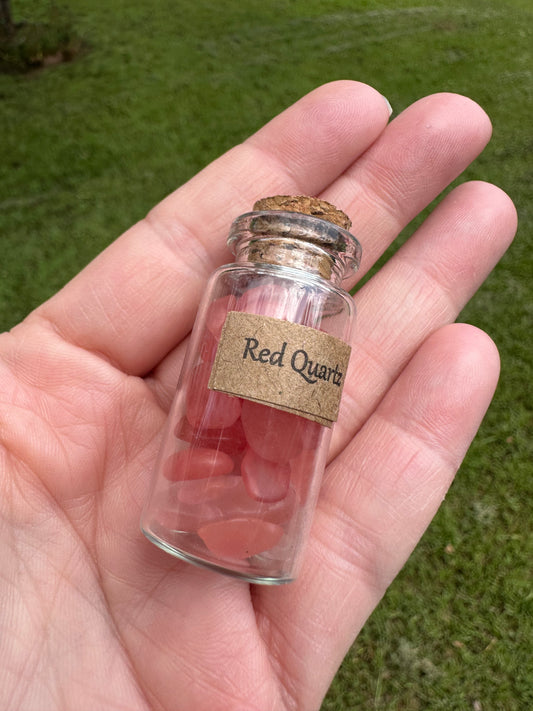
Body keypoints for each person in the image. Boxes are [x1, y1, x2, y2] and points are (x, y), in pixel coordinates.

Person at [0, 81, 517, 710]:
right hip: (177, 514)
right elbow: (211, 414)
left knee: (275, 462)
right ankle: (189, 517)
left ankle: (255, 530)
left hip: (262, 530)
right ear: (254, 243)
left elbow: (280, 434)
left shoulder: (330, 308)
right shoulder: (233, 287)